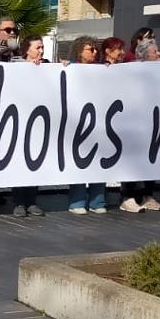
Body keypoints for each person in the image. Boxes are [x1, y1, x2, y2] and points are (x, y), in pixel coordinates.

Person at [122, 38, 160, 213]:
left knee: (151, 159)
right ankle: (128, 197)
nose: (159, 54)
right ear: (144, 55)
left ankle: (148, 196)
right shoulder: (132, 71)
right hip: (134, 122)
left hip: (154, 122)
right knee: (132, 160)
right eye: (155, 52)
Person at [65, 37, 107, 215]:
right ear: (79, 51)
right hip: (77, 122)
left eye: (95, 49)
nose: (95, 52)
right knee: (79, 161)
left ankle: (98, 201)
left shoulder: (102, 70)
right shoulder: (70, 69)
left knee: (100, 160)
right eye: (90, 49)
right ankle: (77, 201)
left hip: (99, 121)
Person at [10, 35, 47, 218]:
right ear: (27, 50)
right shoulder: (15, 67)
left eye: (42, 47)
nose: (41, 51)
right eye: (37, 47)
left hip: (39, 123)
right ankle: (18, 202)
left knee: (35, 162)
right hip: (19, 122)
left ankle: (32, 201)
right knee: (19, 163)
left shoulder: (48, 66)